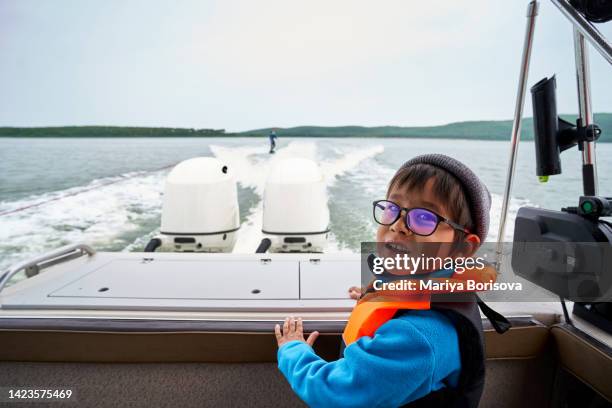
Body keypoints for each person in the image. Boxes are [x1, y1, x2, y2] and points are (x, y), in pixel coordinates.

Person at [274, 154, 501, 407]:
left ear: (462, 248)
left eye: (424, 218)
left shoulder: (418, 337)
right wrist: (376, 293)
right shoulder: (430, 281)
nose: (399, 225)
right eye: (392, 209)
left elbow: (336, 392)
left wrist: (293, 351)